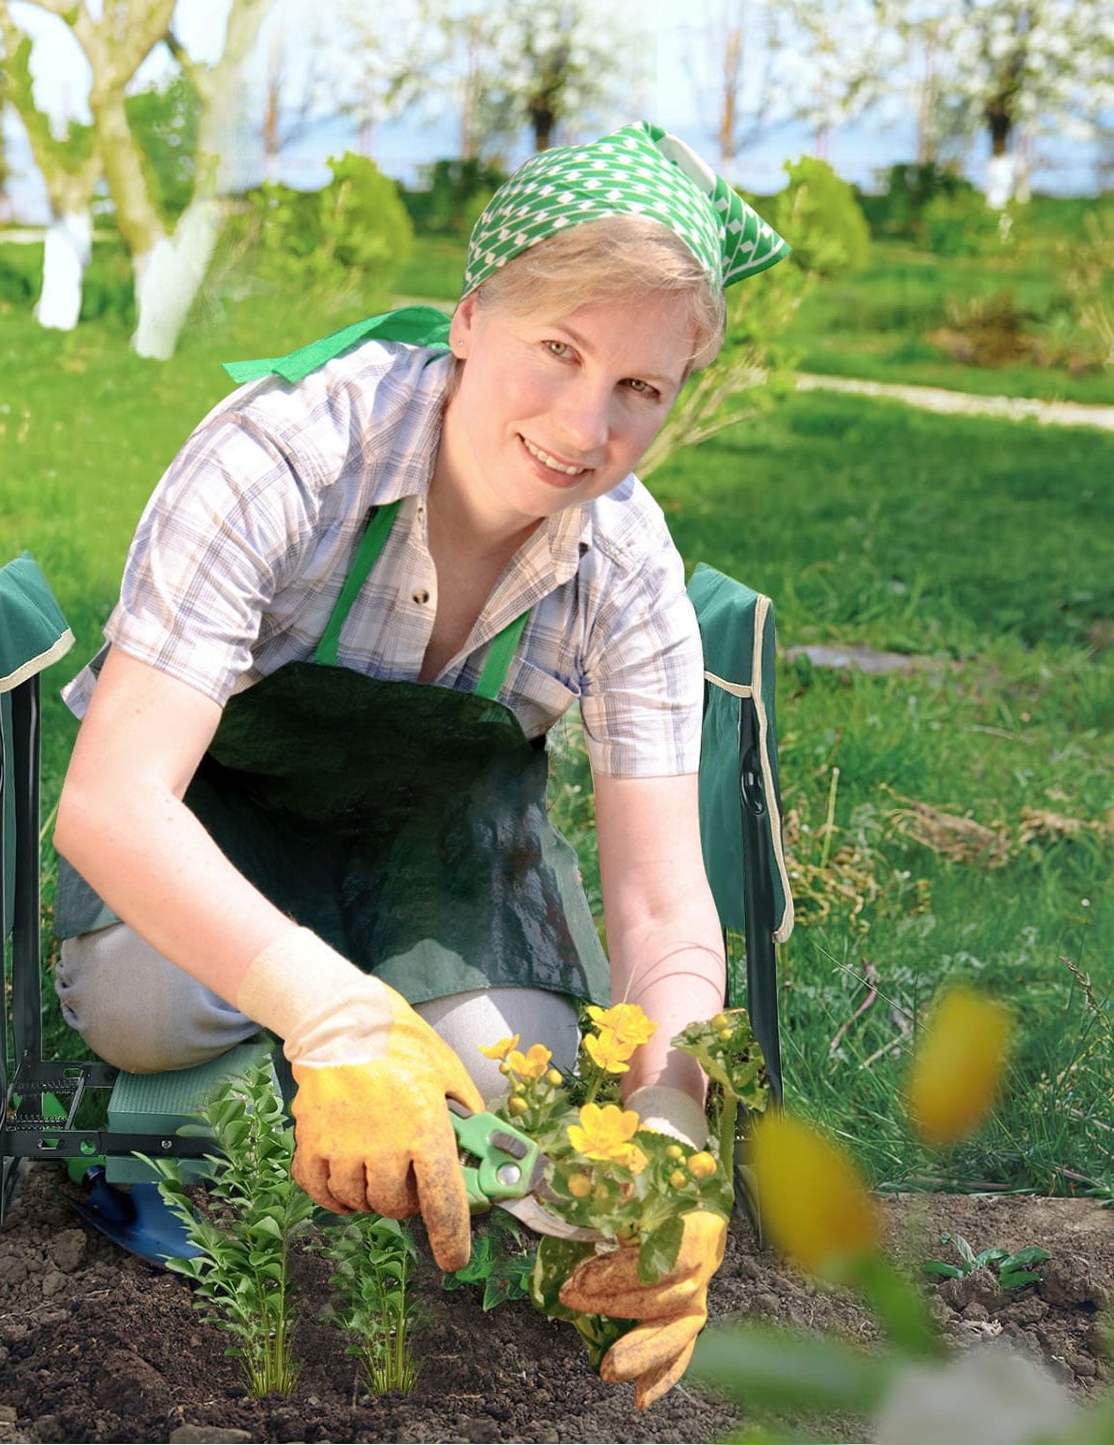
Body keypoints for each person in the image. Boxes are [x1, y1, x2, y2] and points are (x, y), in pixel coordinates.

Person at [53, 121, 789, 1407]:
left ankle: (376, 1045)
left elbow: (664, 905)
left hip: (431, 853)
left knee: (524, 1077)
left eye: (638, 388)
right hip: (221, 820)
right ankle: (317, 1040)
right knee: (143, 1012)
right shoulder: (285, 453)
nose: (584, 425)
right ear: (465, 321)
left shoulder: (625, 567)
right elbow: (112, 798)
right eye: (556, 351)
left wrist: (674, 1139)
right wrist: (335, 1017)